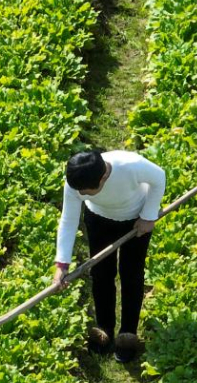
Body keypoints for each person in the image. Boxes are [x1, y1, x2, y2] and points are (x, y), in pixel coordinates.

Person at [52, 149, 166, 362]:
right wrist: (62, 264)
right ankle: (104, 327)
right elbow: (68, 220)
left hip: (135, 221)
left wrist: (149, 216)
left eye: (87, 191)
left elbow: (159, 177)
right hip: (98, 219)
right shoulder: (76, 182)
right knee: (101, 272)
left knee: (131, 273)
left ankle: (128, 333)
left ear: (103, 177)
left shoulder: (130, 165)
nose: (82, 195)